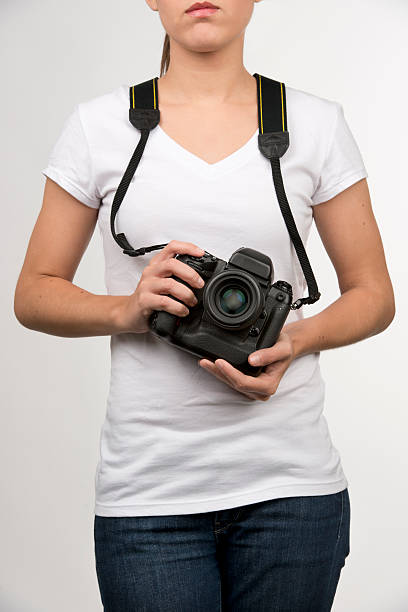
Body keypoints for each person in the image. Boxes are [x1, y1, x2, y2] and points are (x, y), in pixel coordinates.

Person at [14, 0, 395, 610]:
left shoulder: (314, 124)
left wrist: (292, 340)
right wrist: (129, 308)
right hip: (148, 498)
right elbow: (33, 292)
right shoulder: (99, 125)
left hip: (292, 490)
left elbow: (375, 296)